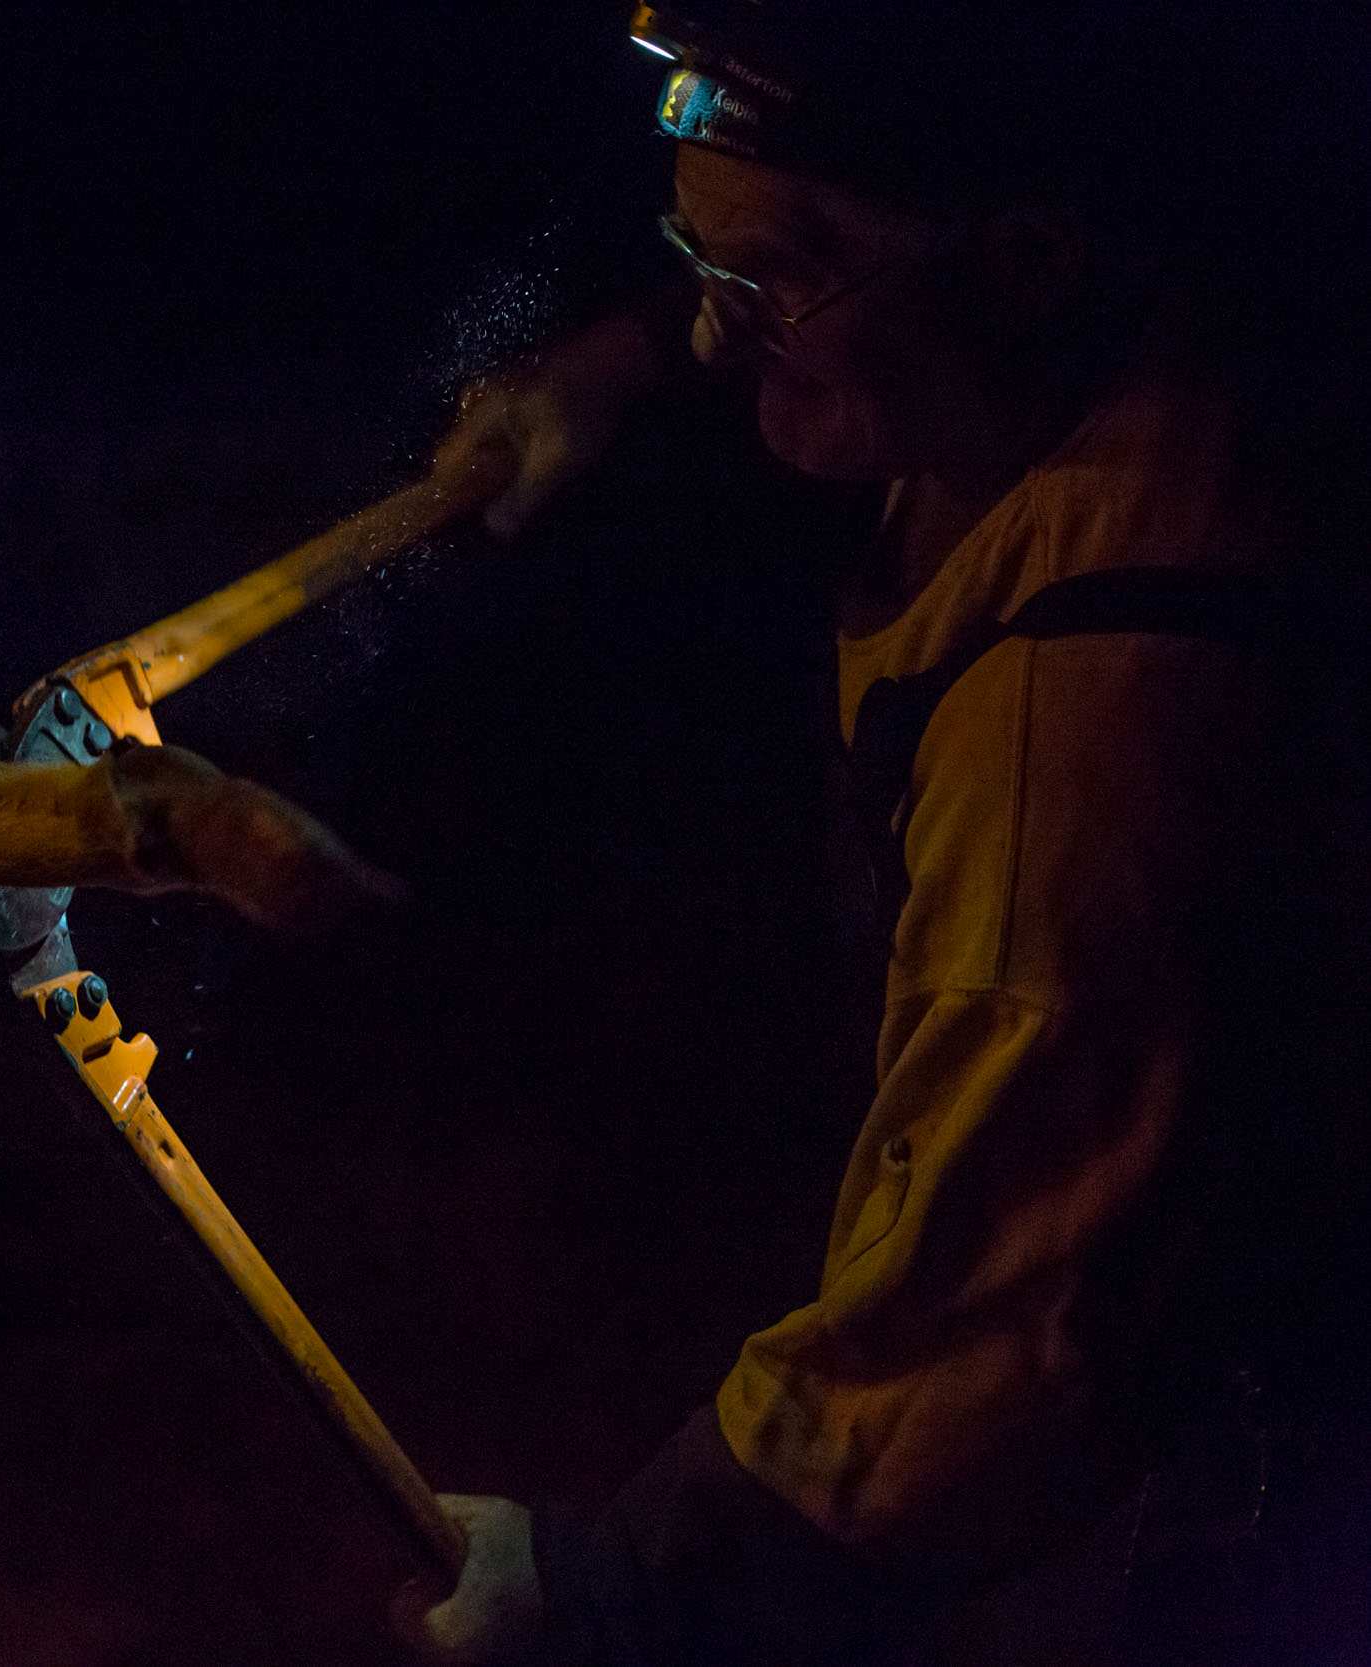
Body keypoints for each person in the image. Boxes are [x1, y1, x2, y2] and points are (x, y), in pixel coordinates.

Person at [386, 3, 1371, 1660]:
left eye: (760, 293)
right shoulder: (1051, 376)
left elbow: (964, 1369)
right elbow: (798, 323)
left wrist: (594, 1585)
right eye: (696, 269)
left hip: (1188, 1510)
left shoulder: (1080, 741)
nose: (715, 341)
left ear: (1025, 264)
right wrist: (613, 370)